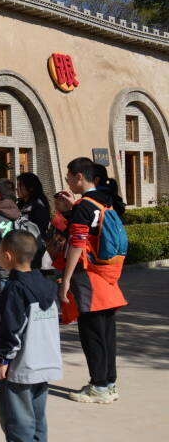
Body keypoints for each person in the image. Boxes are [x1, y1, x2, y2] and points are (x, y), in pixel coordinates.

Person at [0, 230, 62, 442]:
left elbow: (12, 328)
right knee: (37, 412)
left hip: (22, 363)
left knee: (17, 413)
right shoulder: (47, 284)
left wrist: (3, 359)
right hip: (45, 360)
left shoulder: (14, 289)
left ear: (8, 256)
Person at [57, 158, 128, 404]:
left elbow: (77, 242)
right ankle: (109, 383)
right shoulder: (105, 200)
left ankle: (98, 387)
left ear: (79, 176)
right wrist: (72, 209)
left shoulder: (83, 206)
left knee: (91, 335)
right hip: (107, 274)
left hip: (88, 277)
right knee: (107, 334)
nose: (67, 181)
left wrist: (66, 279)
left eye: (68, 176)